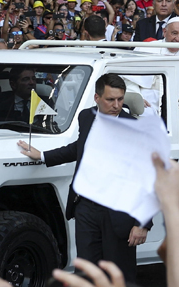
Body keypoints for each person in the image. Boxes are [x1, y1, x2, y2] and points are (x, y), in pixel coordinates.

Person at [17, 74, 152, 283]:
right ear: (97, 98)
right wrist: (43, 156)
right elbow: (79, 148)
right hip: (86, 207)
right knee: (86, 271)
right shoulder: (86, 117)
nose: (116, 105)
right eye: (110, 99)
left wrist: (143, 223)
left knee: (119, 275)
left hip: (118, 211)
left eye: (120, 99)